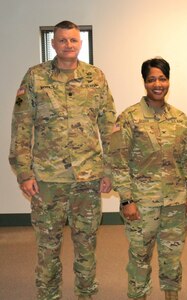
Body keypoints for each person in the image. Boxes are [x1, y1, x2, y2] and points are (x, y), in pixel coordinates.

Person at [8, 20, 116, 300]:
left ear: (81, 43)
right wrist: (24, 172)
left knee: (86, 245)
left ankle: (85, 294)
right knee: (47, 247)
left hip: (87, 179)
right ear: (53, 44)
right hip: (47, 181)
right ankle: (48, 295)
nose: (68, 45)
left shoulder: (96, 77)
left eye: (73, 40)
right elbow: (21, 126)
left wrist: (110, 171)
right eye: (62, 40)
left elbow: (108, 127)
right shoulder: (35, 77)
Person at [109, 57, 187, 300]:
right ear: (144, 82)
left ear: (168, 81)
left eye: (162, 78)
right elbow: (118, 161)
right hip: (142, 206)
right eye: (152, 79)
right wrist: (127, 200)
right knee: (140, 259)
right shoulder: (128, 118)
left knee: (172, 259)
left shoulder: (180, 119)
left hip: (174, 204)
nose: (158, 84)